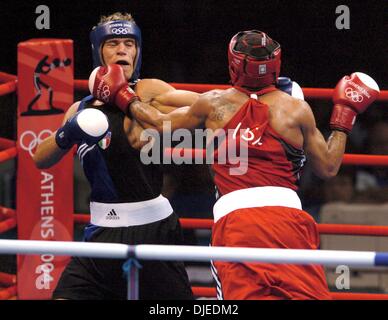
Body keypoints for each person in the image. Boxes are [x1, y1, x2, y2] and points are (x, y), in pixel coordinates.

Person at [89, 30, 380, 299]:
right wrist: (343, 117)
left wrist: (124, 97)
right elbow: (328, 167)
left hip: (237, 223)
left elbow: (157, 125)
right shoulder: (296, 109)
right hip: (289, 222)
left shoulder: (214, 104)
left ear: (234, 64)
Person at [33, 12, 198, 300]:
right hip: (101, 232)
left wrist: (129, 100)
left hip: (152, 231)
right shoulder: (79, 110)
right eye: (113, 43)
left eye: (129, 43)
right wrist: (66, 134)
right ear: (98, 51)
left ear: (137, 51)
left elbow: (203, 106)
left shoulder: (148, 91)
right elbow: (40, 159)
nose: (122, 49)